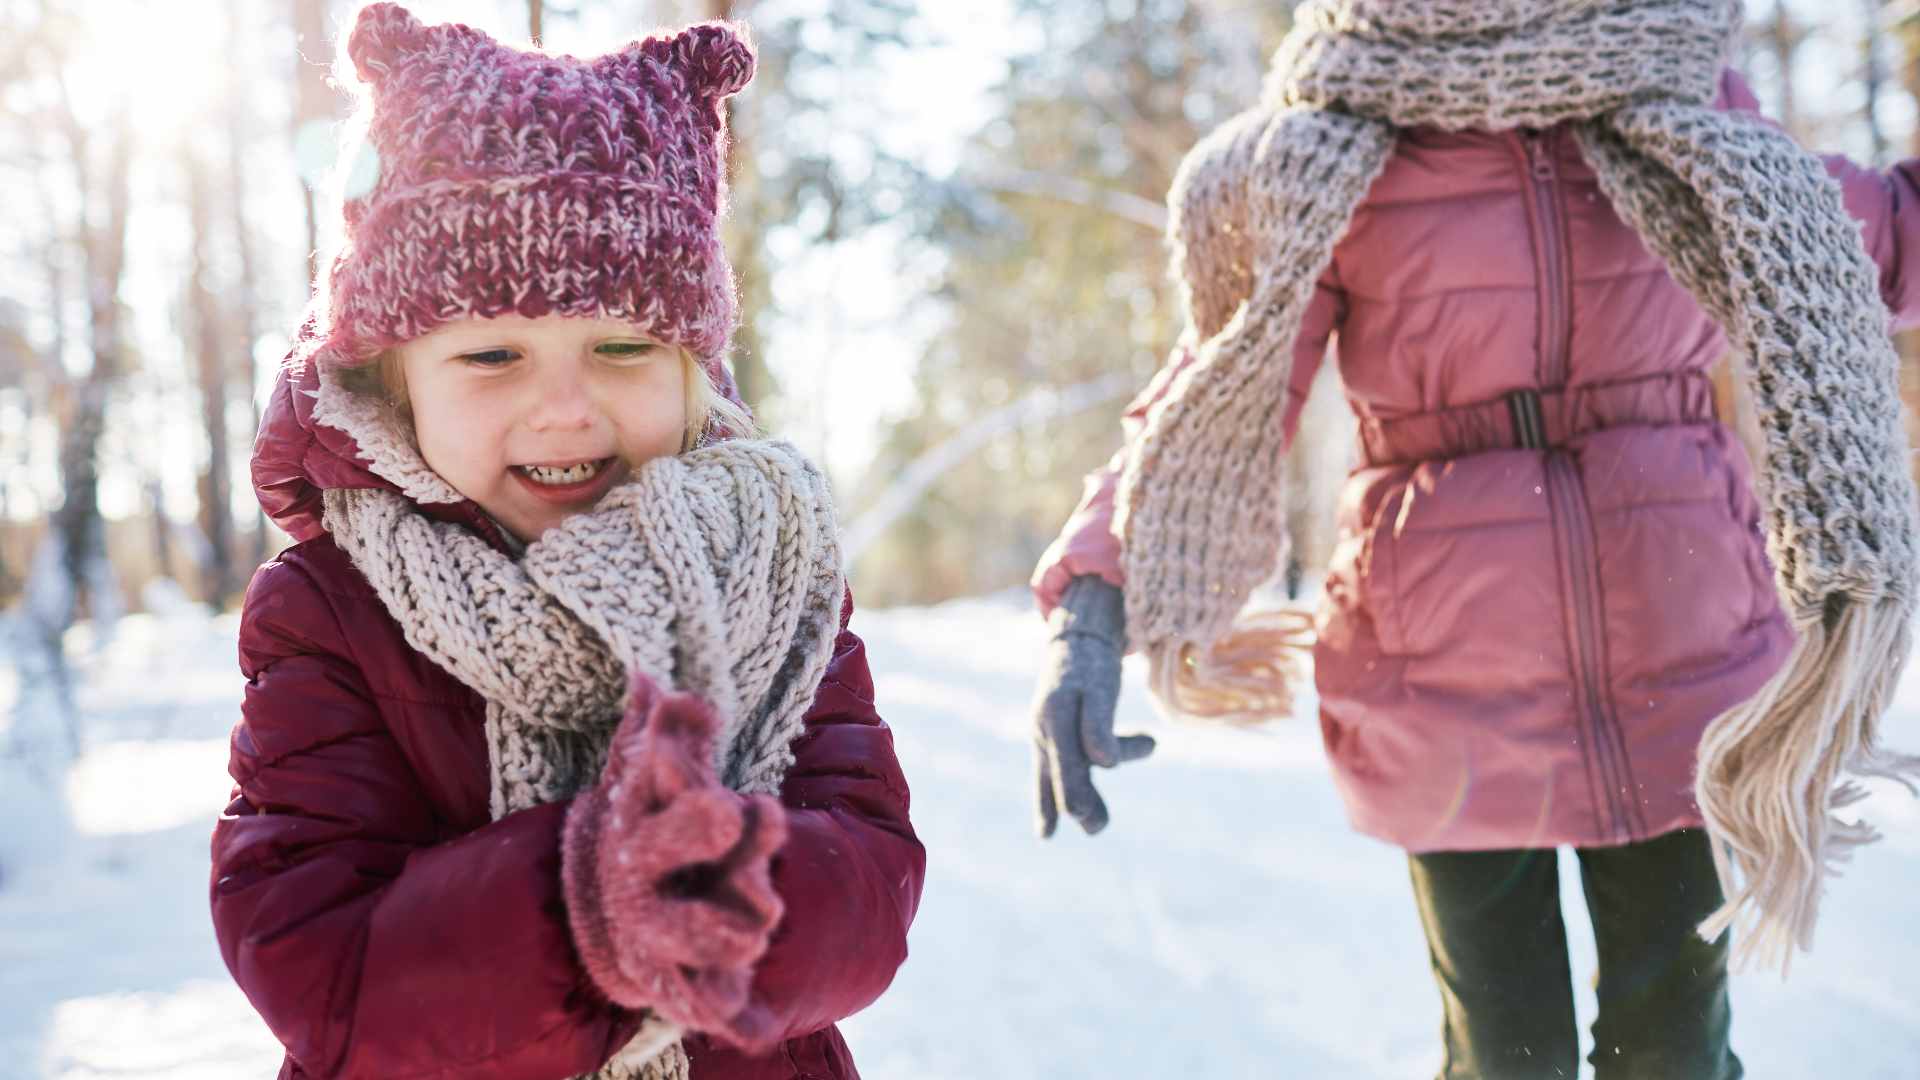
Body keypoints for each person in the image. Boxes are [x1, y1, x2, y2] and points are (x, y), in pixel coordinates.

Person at [1028, 2, 1920, 1077]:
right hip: (1444, 674)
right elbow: (1212, 390)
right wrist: (1093, 596)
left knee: (1675, 1054)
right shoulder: (1330, 142)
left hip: (1683, 655)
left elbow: (1881, 239)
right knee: (1511, 1057)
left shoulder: (1687, 87)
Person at [210, 6, 924, 1078]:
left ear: (691, 367)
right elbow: (319, 962)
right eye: (493, 355)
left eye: (623, 347)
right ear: (392, 380)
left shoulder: (770, 569)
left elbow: (868, 872)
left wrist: (729, 896)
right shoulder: (329, 611)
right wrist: (583, 902)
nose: (564, 410)